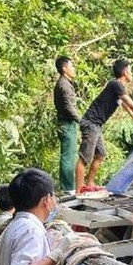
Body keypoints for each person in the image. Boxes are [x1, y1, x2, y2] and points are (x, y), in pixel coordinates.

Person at [0, 169, 76, 265]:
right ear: (46, 200)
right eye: (53, 196)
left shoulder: (15, 225)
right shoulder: (30, 229)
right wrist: (58, 253)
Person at [76, 58, 133, 194]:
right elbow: (132, 105)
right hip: (90, 123)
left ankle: (90, 183)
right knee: (85, 158)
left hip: (96, 124)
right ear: (125, 72)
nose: (132, 73)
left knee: (100, 154)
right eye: (130, 70)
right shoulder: (116, 85)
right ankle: (79, 190)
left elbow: (129, 110)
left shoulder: (118, 89)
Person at [54, 55, 80, 192]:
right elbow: (68, 107)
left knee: (70, 155)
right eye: (72, 66)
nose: (74, 69)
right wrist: (81, 121)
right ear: (64, 69)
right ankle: (67, 188)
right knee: (68, 157)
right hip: (67, 124)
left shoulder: (64, 83)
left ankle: (69, 187)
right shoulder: (63, 85)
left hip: (67, 124)